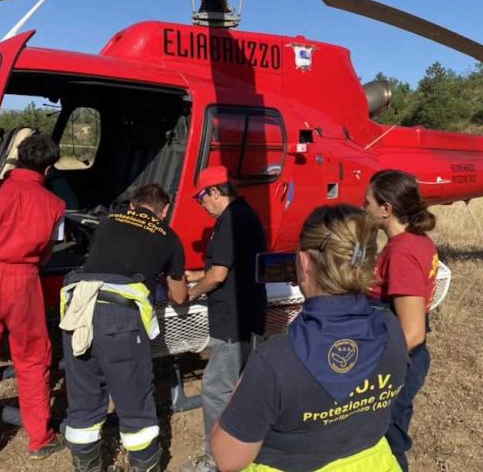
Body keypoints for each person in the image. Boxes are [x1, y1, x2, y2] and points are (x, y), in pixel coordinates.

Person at [210, 204, 409, 472]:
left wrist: (243, 388)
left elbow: (227, 459)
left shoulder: (274, 361)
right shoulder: (393, 330)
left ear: (304, 262)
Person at [60, 183, 188, 472]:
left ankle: (88, 467)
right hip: (119, 318)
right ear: (164, 211)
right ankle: (144, 466)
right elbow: (179, 296)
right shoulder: (168, 236)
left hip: (78, 307)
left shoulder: (108, 222)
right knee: (134, 400)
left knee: (84, 396)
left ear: (133, 205)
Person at [0, 134, 66, 471]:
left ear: (17, 157)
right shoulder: (55, 205)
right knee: (33, 359)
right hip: (25, 281)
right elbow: (48, 252)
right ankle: (40, 438)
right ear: (48, 168)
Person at [181, 166, 267, 472]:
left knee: (217, 390)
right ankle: (247, 454)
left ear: (215, 192)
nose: (202, 205)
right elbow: (227, 267)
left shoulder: (230, 221)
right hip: (250, 315)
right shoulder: (247, 215)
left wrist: (189, 293)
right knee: (243, 389)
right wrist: (192, 275)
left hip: (232, 321)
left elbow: (218, 275)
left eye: (201, 198)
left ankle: (215, 462)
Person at [363, 170, 439, 472]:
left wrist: (364, 362)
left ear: (386, 209)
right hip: (405, 361)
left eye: (367, 202)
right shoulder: (417, 241)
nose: (363, 208)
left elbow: (412, 333)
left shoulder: (402, 251)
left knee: (387, 443)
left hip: (396, 365)